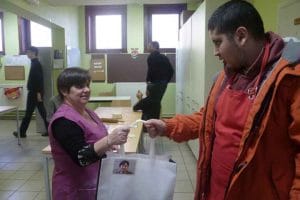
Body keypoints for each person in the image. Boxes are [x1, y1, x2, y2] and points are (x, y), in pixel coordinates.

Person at [144, 1, 300, 200]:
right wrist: (167, 126)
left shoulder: (289, 79)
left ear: (241, 36)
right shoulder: (223, 78)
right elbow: (206, 120)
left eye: (218, 42)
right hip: (214, 191)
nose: (215, 52)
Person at [48, 67, 130, 199]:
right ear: (64, 90)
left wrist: (109, 145)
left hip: (94, 183)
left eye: (87, 85)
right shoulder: (63, 121)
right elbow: (81, 157)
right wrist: (109, 140)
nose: (86, 90)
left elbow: (94, 138)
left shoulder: (88, 112)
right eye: (80, 86)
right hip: (74, 190)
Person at [13, 46, 48, 138]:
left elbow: (38, 80)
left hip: (34, 93)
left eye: (28, 52)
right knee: (43, 112)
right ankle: (49, 130)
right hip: (35, 92)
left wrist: (38, 93)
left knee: (28, 113)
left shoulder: (36, 64)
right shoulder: (34, 63)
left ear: (33, 52)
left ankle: (22, 132)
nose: (27, 54)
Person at [145, 41, 174, 117]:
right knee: (157, 102)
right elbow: (171, 71)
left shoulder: (151, 57)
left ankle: (151, 122)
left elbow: (150, 71)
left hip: (154, 84)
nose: (147, 47)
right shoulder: (164, 57)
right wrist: (165, 81)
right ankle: (156, 121)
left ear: (153, 47)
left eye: (149, 46)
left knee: (152, 104)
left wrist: (148, 82)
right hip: (163, 85)